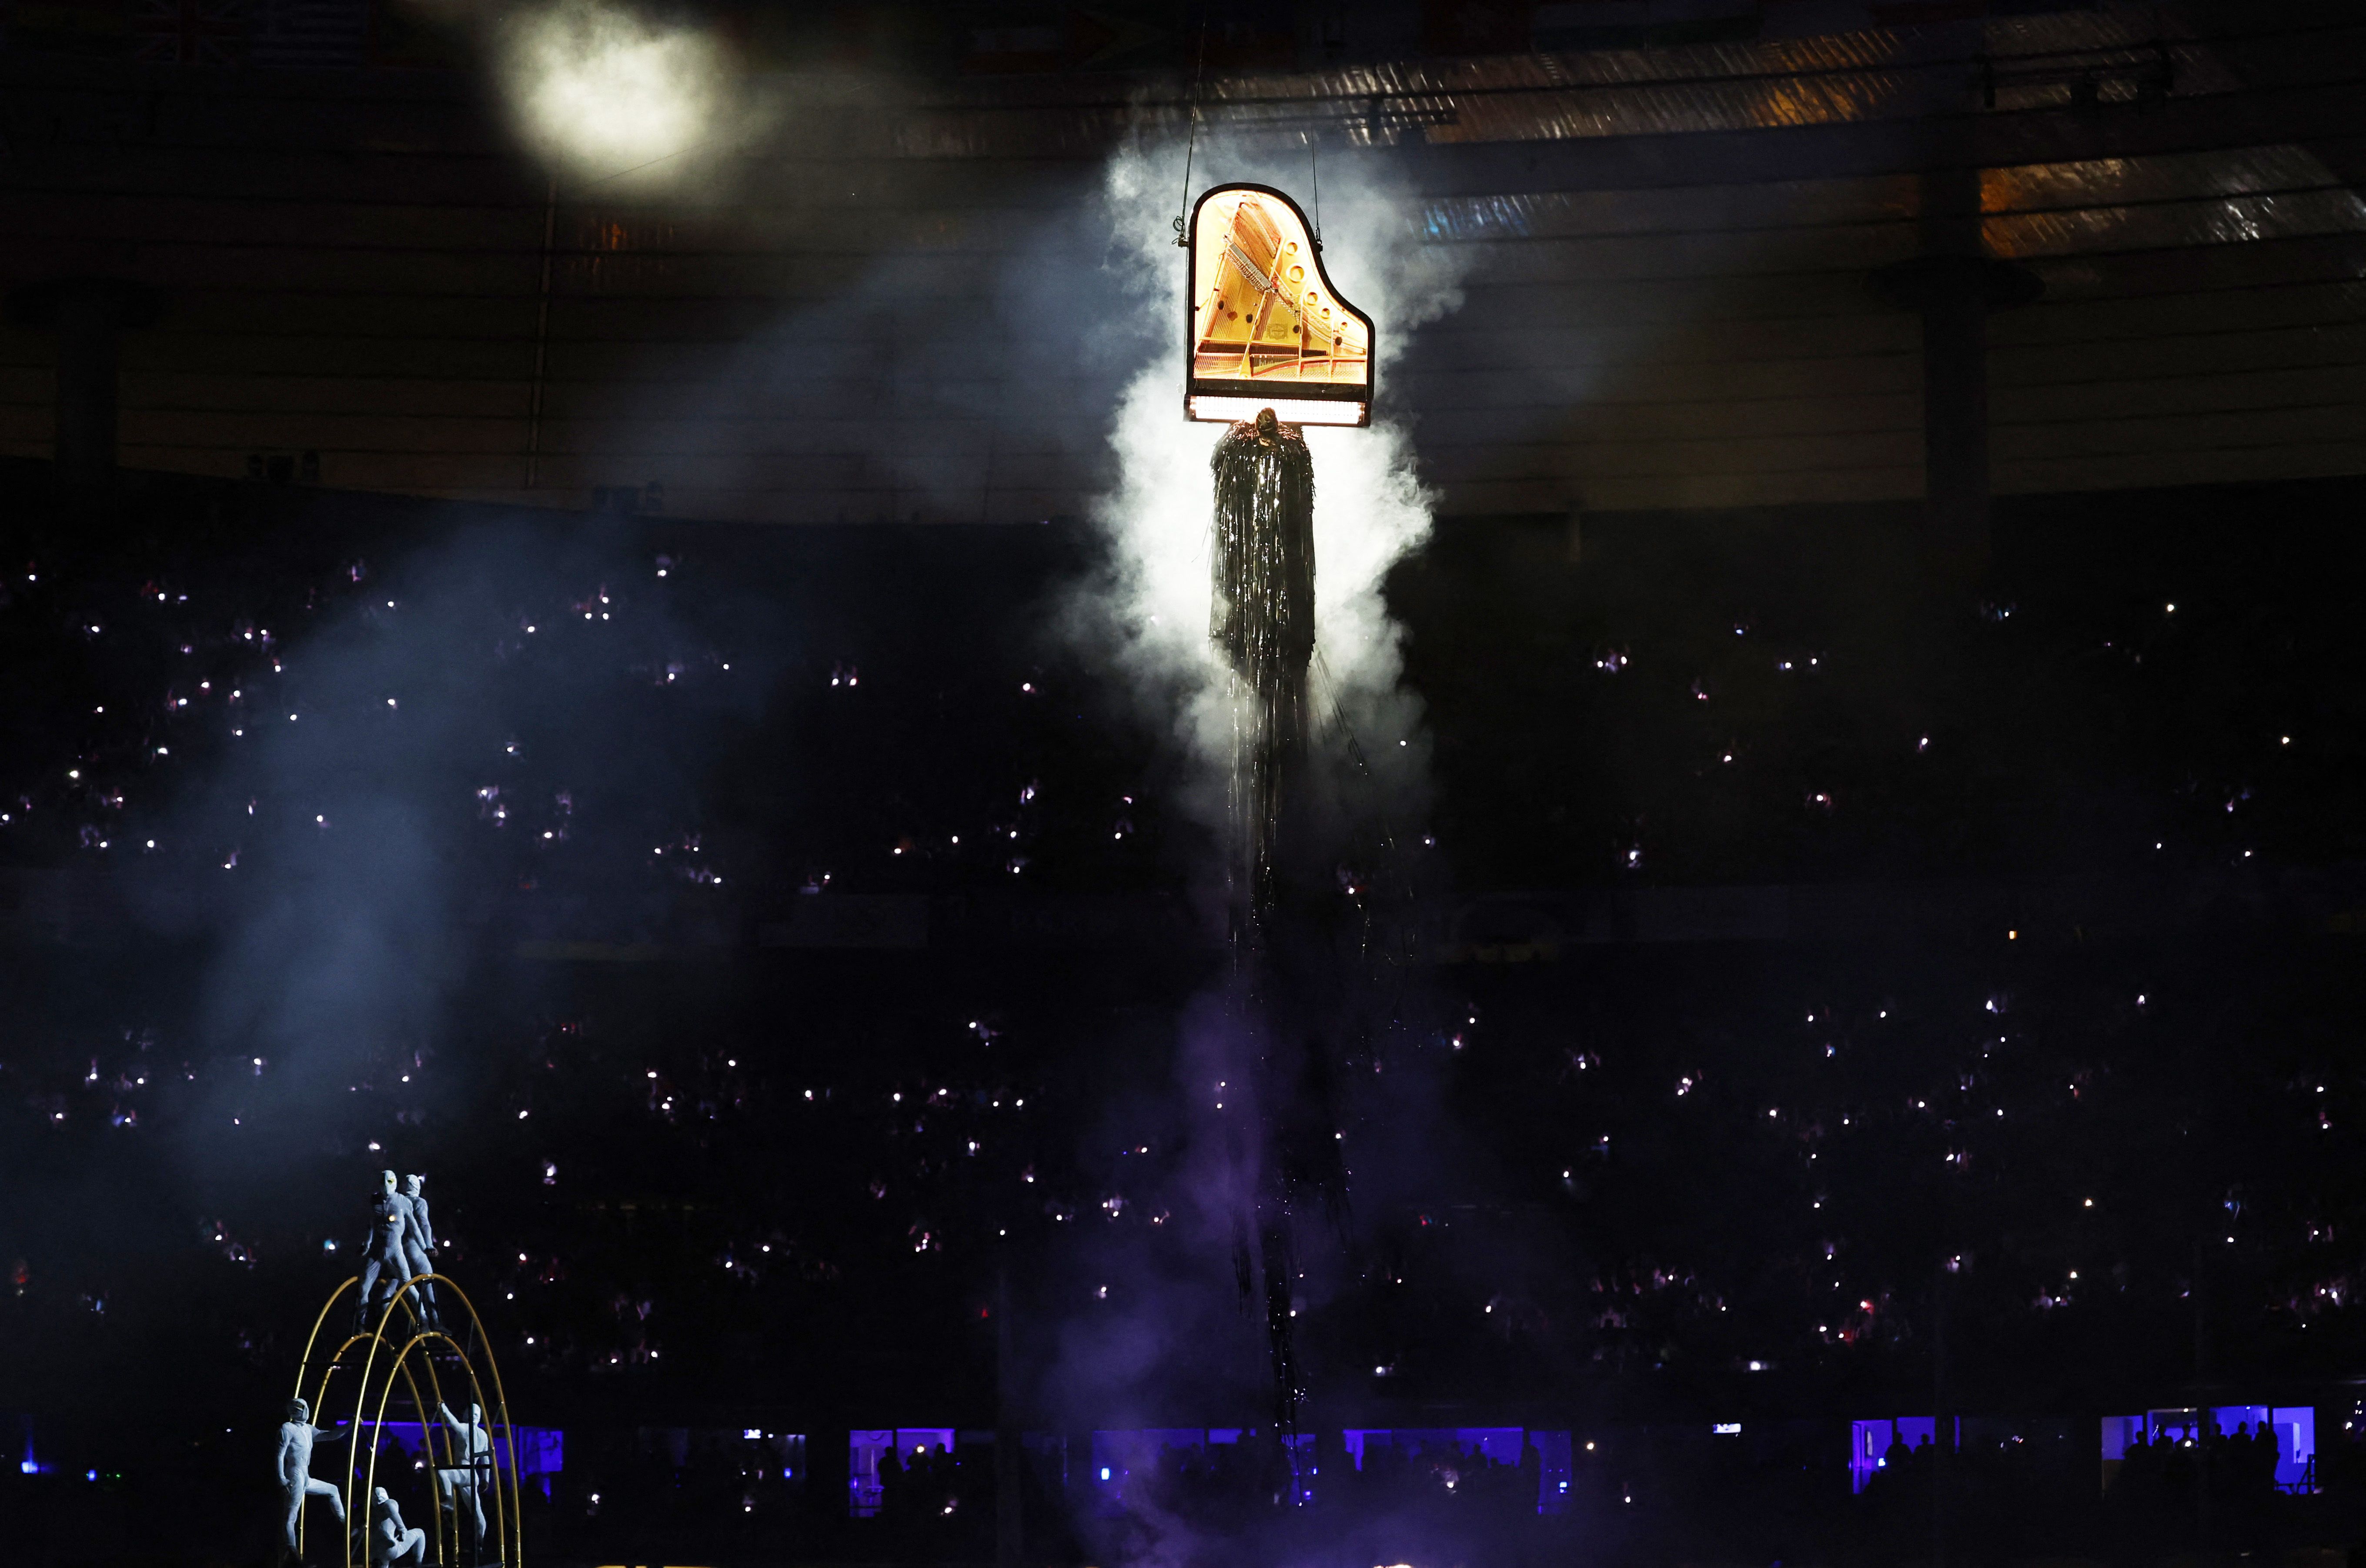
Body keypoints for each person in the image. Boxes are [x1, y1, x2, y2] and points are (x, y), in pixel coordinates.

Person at [276, 1397, 352, 1565]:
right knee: (290, 1517)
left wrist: (350, 1425)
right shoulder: (287, 1428)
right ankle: (292, 1551)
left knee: (333, 1490)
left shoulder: (308, 1430)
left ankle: (346, 1524)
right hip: (294, 1474)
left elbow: (332, 1435)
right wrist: (282, 1478)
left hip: (305, 1475)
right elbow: (280, 1455)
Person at [354, 1171, 416, 1333]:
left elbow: (414, 1226)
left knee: (408, 1285)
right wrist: (366, 1245)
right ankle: (360, 1324)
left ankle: (424, 1318)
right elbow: (371, 1225)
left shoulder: (402, 1201)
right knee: (363, 1287)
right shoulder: (375, 1201)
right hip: (376, 1251)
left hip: (395, 1250)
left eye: (389, 1182)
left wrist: (425, 1246)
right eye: (384, 1182)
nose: (386, 1186)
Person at [435, 1399, 492, 1548]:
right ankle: (481, 1539)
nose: (473, 1416)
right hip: (473, 1475)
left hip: (465, 1471)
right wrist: (486, 1479)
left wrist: (445, 1409)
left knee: (443, 1473)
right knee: (476, 1510)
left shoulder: (467, 1429)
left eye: (475, 1414)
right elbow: (486, 1458)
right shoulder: (484, 1435)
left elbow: (453, 1423)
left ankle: (449, 1500)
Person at [400, 1174, 440, 1331]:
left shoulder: (398, 1201)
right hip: (414, 1246)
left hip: (399, 1247)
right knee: (428, 1278)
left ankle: (422, 1319)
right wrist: (429, 1245)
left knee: (406, 1282)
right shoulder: (419, 1202)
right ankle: (434, 1320)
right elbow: (424, 1225)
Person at [368, 1486, 426, 1566]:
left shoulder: (370, 1512)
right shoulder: (389, 1504)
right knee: (420, 1533)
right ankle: (418, 1564)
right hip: (389, 1549)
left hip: (374, 1553)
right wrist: (403, 1530)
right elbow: (390, 1508)